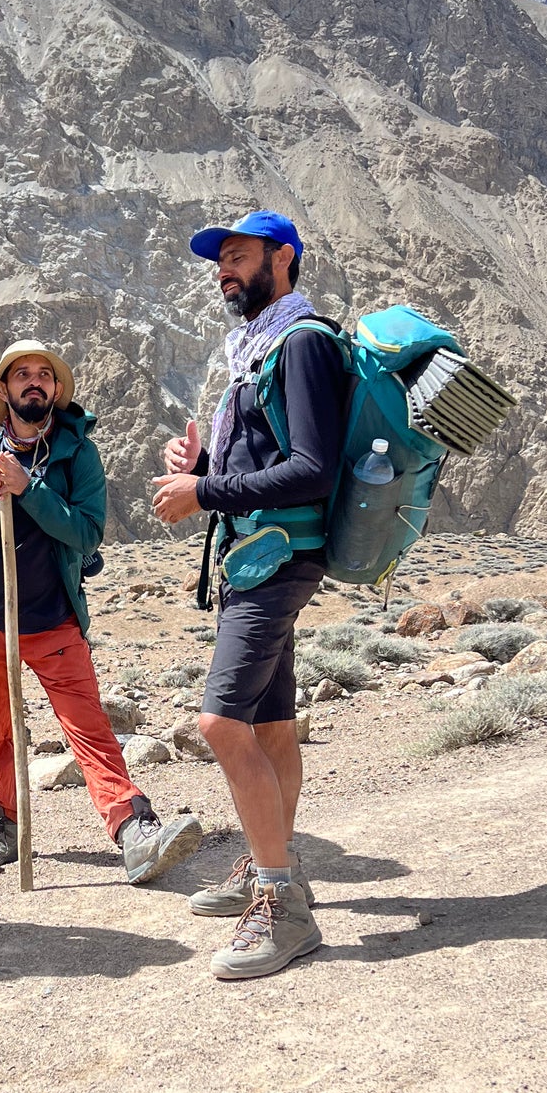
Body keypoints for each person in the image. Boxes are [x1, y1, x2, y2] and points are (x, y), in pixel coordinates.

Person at [152, 212, 348, 980]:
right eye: (218, 261)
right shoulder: (259, 349)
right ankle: (276, 863)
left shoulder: (298, 344)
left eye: (236, 256)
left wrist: (203, 488)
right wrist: (205, 458)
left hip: (274, 560)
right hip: (260, 556)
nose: (222, 270)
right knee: (269, 726)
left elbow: (311, 468)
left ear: (283, 257)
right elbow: (272, 453)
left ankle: (282, 905)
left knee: (219, 722)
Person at [0, 343, 203, 884]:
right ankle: (1, 824)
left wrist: (28, 488)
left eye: (44, 376)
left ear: (56, 391)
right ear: (4, 390)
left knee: (88, 729)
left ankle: (133, 828)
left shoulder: (77, 454)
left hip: (55, 621)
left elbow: (86, 532)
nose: (34, 383)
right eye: (22, 376)